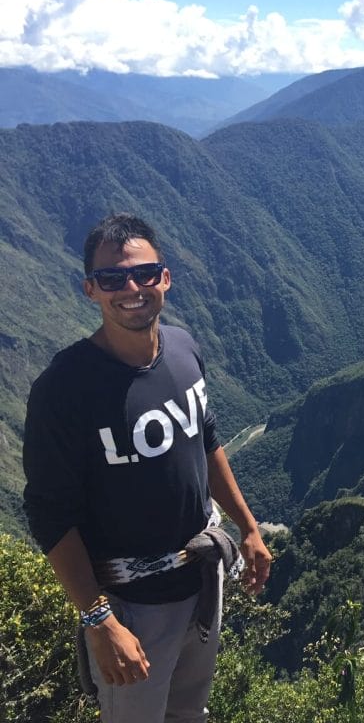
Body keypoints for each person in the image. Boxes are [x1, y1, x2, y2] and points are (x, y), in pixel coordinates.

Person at [22, 213, 272, 723]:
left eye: (144, 274)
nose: (130, 288)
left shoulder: (183, 349)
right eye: (112, 279)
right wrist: (99, 619)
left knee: (189, 712)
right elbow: (49, 515)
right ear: (91, 289)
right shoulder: (65, 389)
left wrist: (248, 527)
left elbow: (206, 442)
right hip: (131, 606)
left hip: (203, 581)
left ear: (166, 277)